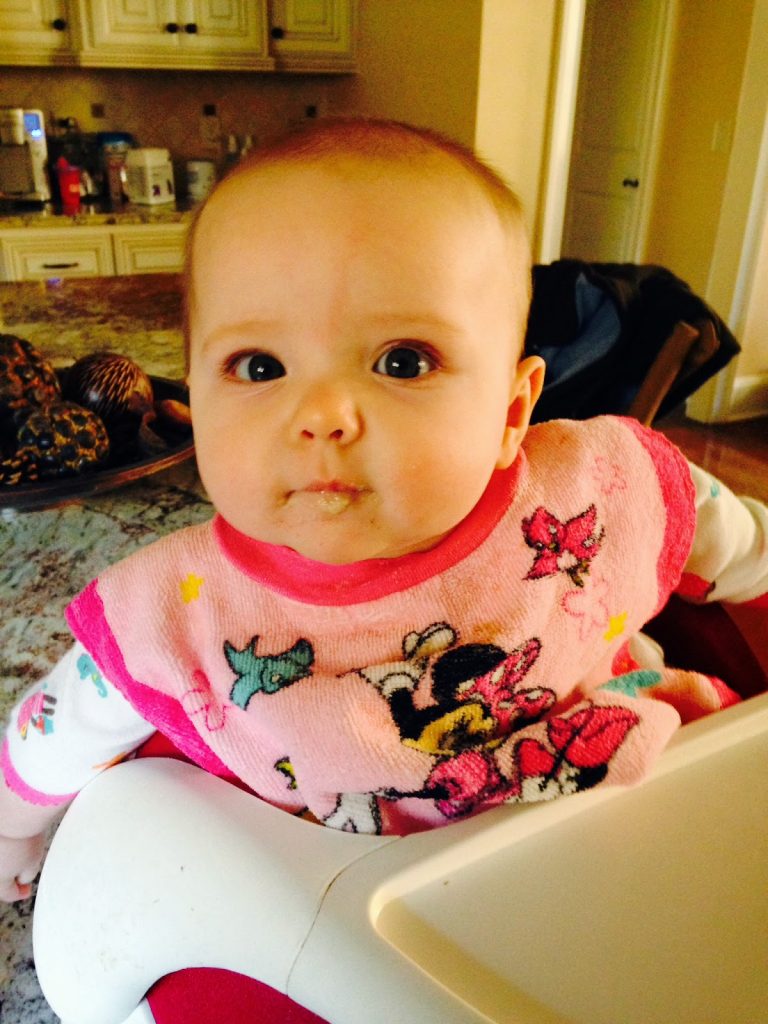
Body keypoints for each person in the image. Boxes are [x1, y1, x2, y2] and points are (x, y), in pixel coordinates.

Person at [1, 119, 766, 901]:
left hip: (620, 820)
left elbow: (713, 525)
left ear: (512, 413)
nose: (322, 415)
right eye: (259, 366)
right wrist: (12, 826)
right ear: (193, 404)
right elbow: (65, 721)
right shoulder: (179, 604)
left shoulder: (583, 485)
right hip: (342, 895)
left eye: (402, 362)